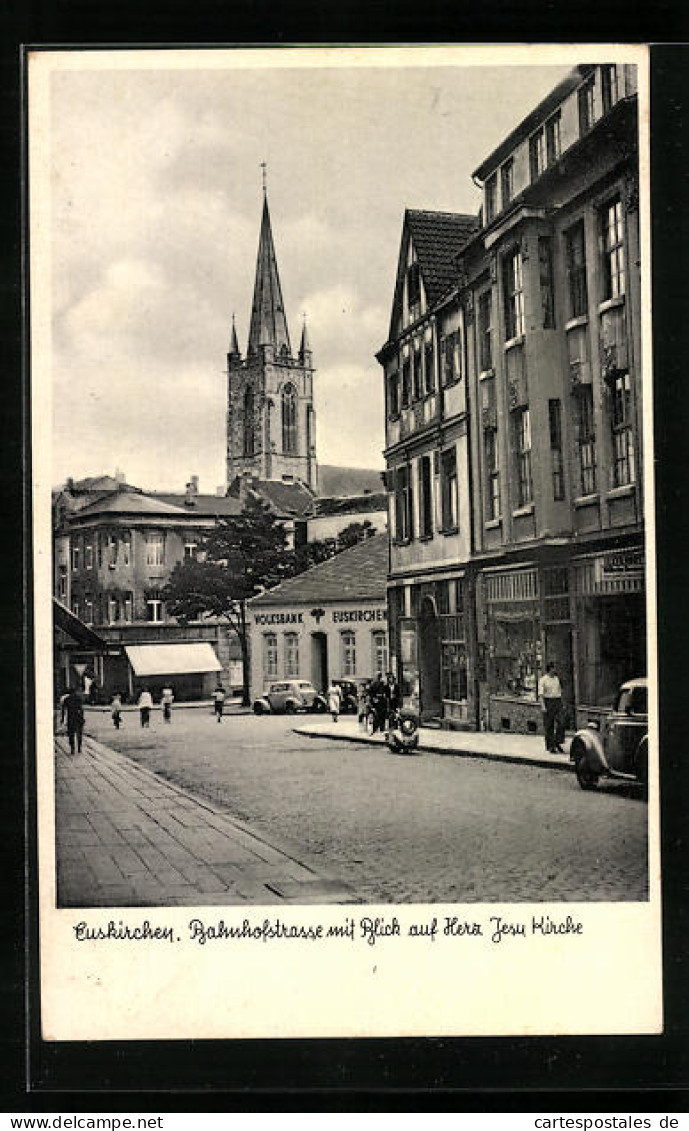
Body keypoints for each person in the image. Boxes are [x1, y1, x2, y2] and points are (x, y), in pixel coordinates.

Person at [538, 662, 564, 753]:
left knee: (562, 722)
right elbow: (541, 695)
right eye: (554, 668)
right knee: (549, 725)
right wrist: (543, 706)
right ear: (550, 669)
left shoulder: (557, 679)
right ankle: (551, 746)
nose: (555, 670)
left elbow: (560, 691)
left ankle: (557, 741)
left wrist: (561, 703)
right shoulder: (543, 680)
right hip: (548, 701)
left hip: (557, 701)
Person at [61, 686, 84, 755]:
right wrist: (82, 718)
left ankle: (72, 749)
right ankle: (79, 748)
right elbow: (81, 709)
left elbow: (64, 710)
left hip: (70, 718)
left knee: (71, 734)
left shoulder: (67, 699)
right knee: (79, 733)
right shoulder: (79, 698)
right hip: (78, 717)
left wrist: (62, 719)